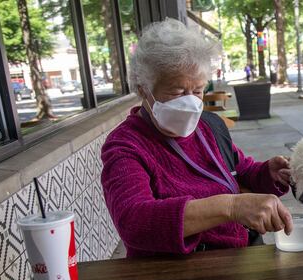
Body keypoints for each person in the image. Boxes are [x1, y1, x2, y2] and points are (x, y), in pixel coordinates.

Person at [101, 19, 293, 257]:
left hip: (236, 258)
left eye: (198, 90)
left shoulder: (209, 127)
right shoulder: (126, 144)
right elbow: (133, 222)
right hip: (177, 273)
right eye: (177, 92)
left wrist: (268, 173)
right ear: (143, 89)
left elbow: (239, 170)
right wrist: (232, 207)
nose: (190, 102)